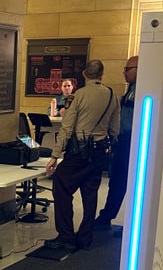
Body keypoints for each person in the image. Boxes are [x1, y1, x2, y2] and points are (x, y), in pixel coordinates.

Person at [44, 60, 120, 252]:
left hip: (80, 150)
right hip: (100, 150)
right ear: (101, 75)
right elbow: (114, 128)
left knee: (61, 183)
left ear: (85, 74)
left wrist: (55, 155)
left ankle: (66, 236)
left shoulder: (78, 96)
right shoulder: (111, 94)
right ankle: (86, 237)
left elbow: (67, 127)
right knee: (90, 191)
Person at [94, 55, 138, 235]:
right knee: (117, 181)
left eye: (128, 69)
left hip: (133, 142)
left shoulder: (144, 90)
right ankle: (106, 217)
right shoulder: (131, 89)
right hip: (123, 141)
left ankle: (130, 224)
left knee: (128, 182)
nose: (124, 73)